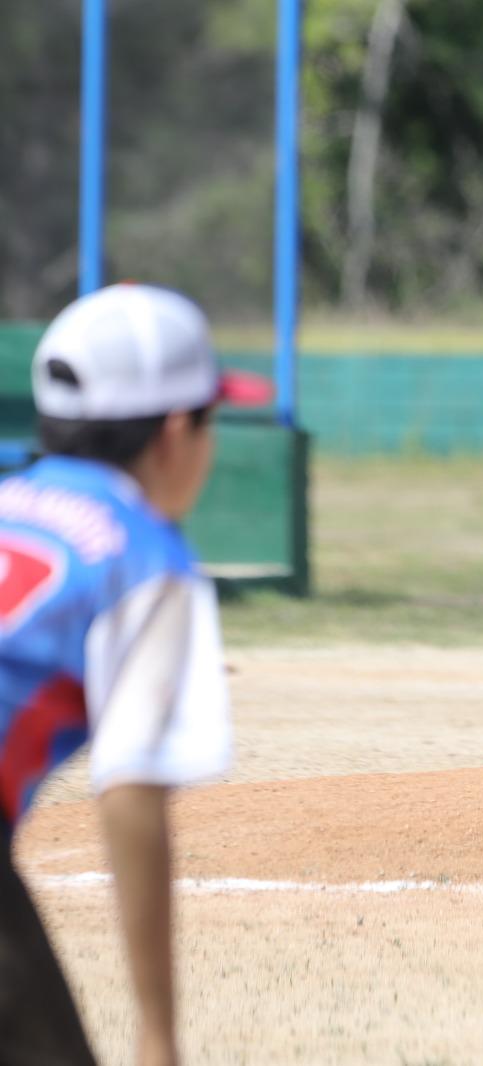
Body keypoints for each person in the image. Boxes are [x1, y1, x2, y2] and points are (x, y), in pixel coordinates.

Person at [0, 284, 265, 1063]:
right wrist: (157, 1035)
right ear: (177, 432)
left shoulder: (9, 499)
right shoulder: (144, 557)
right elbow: (132, 799)